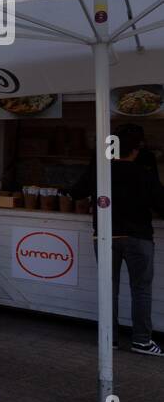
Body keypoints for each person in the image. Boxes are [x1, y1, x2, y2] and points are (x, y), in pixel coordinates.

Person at [72, 123, 164, 355]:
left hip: (104, 235)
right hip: (138, 237)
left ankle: (108, 338)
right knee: (141, 289)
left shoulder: (101, 170)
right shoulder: (145, 174)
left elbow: (76, 192)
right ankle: (142, 341)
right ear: (136, 150)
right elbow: (162, 205)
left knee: (108, 288)